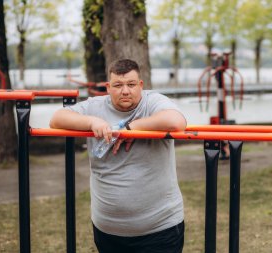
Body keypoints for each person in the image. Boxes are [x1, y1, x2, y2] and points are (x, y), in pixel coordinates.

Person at [50, 59, 186, 253]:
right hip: (107, 230)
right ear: (108, 87)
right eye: (118, 85)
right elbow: (56, 119)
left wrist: (132, 128)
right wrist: (91, 122)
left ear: (140, 85)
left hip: (159, 229)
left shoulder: (153, 101)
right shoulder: (94, 107)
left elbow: (177, 121)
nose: (125, 91)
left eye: (131, 84)